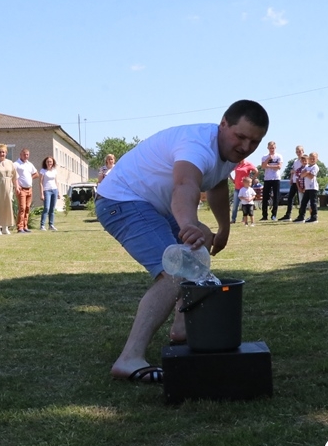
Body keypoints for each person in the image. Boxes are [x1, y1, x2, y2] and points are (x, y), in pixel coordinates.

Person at [94, 100, 269, 383]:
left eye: (254, 142)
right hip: (122, 200)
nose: (246, 147)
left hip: (151, 204)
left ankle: (182, 328)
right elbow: (185, 185)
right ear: (223, 124)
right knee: (175, 270)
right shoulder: (197, 145)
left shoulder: (229, 150)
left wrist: (223, 228)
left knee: (199, 247)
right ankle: (129, 359)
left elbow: (216, 184)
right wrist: (188, 224)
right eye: (241, 136)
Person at [13, 148, 39, 233]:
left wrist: (30, 178)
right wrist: (17, 185)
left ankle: (25, 226)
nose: (26, 156)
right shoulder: (16, 164)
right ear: (20, 155)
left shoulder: (29, 164)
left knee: (27, 208)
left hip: (29, 189)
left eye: (27, 154)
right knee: (22, 208)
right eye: (24, 154)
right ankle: (20, 227)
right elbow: (12, 176)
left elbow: (36, 174)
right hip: (21, 189)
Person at [279, 145, 305, 220]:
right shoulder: (295, 161)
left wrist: (295, 171)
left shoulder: (304, 160)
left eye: (300, 151)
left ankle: (301, 215)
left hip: (300, 181)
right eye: (297, 151)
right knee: (290, 198)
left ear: (303, 151)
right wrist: (291, 178)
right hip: (294, 181)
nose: (298, 153)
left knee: (301, 198)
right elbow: (292, 170)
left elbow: (303, 170)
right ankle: (288, 215)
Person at [229, 159, 258, 223]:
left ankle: (244, 219)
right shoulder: (236, 164)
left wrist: (251, 179)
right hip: (237, 187)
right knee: (235, 204)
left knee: (245, 203)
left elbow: (256, 171)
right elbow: (228, 170)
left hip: (245, 188)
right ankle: (233, 219)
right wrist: (232, 179)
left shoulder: (248, 164)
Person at [293, 152, 319, 224]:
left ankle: (314, 217)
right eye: (311, 158)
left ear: (316, 159)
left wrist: (306, 173)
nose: (312, 160)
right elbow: (301, 175)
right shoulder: (307, 167)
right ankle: (301, 217)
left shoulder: (315, 167)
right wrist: (307, 173)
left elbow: (311, 176)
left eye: (313, 158)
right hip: (307, 188)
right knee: (303, 202)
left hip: (313, 187)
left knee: (313, 203)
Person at [260, 141, 283, 221]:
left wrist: (269, 166)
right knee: (265, 197)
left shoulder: (279, 156)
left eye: (273, 148)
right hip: (267, 178)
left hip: (276, 178)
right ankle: (264, 215)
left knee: (276, 197)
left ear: (275, 148)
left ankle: (274, 215)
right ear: (268, 148)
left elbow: (279, 167)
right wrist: (268, 159)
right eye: (270, 148)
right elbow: (263, 166)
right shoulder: (264, 156)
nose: (272, 149)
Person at [39, 156, 59, 231]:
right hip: (46, 190)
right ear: (45, 162)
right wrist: (42, 194)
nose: (49, 163)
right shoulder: (43, 171)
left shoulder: (54, 170)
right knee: (46, 208)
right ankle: (42, 225)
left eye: (50, 161)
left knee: (52, 209)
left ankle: (51, 225)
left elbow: (56, 181)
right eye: (48, 162)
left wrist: (58, 192)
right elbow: (40, 183)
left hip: (54, 190)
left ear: (53, 162)